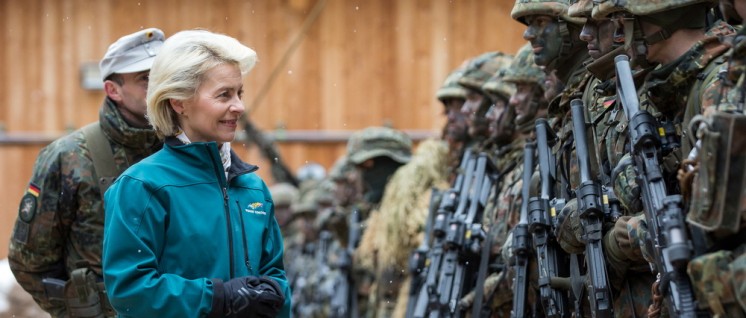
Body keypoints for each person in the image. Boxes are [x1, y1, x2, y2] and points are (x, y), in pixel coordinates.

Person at [101, 29, 290, 317]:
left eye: (239, 93)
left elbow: (277, 279)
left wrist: (272, 297)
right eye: (224, 94)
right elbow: (130, 290)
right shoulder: (141, 186)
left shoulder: (253, 188)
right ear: (179, 102)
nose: (238, 106)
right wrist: (216, 298)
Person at [8, 28, 165, 318]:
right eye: (145, 79)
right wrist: (80, 311)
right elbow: (28, 260)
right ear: (113, 90)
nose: (159, 86)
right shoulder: (69, 157)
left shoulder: (189, 149)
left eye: (163, 75)